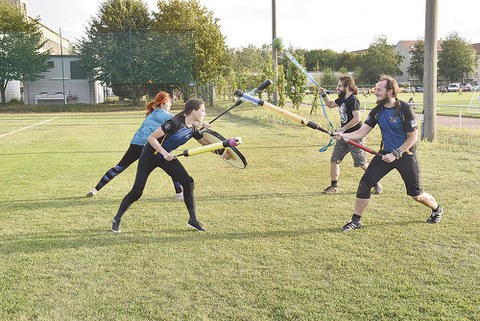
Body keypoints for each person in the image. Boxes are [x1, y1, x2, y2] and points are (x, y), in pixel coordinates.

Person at [333, 75, 444, 232]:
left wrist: (396, 153)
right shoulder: (377, 111)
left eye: (379, 89)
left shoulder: (405, 109)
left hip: (405, 155)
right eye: (376, 89)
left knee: (416, 194)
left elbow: (413, 137)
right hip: (384, 155)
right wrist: (343, 135)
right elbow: (361, 132)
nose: (375, 92)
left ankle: (437, 209)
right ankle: (356, 220)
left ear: (390, 91)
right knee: (365, 184)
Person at [111, 98, 209, 233]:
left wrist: (223, 151)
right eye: (202, 111)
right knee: (137, 191)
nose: (205, 113)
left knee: (188, 182)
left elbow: (204, 142)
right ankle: (117, 219)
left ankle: (193, 220)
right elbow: (151, 138)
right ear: (194, 111)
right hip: (150, 155)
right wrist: (164, 153)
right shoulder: (174, 123)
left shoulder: (192, 128)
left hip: (165, 157)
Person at [86, 91, 184, 200]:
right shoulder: (163, 114)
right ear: (163, 103)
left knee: (118, 168)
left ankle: (95, 190)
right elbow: (180, 120)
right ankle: (179, 194)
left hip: (135, 144)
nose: (171, 105)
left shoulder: (152, 113)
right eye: (170, 103)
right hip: (149, 147)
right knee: (172, 164)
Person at [318, 75, 382, 195]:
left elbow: (357, 118)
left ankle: (376, 183)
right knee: (334, 160)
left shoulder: (353, 100)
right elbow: (330, 104)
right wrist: (323, 94)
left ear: (347, 86)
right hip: (342, 137)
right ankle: (334, 187)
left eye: (340, 86)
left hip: (355, 136)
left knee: (362, 163)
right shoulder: (341, 99)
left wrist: (342, 129)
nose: (337, 88)